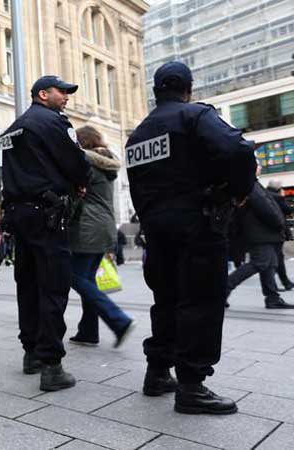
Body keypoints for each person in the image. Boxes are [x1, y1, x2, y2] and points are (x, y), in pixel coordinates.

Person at [126, 61, 256, 415]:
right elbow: (240, 150)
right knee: (200, 301)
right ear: (188, 88)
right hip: (197, 224)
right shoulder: (195, 116)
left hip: (157, 229)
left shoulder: (138, 134)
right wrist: (238, 192)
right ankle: (192, 386)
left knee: (166, 300)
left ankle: (157, 373)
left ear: (156, 91)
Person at [0, 75, 90, 392]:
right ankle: (52, 365)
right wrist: (80, 182)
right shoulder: (53, 123)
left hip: (19, 214)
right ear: (42, 94)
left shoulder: (14, 128)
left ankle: (31, 353)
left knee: (27, 284)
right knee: (52, 286)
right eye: (61, 92)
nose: (66, 97)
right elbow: (78, 163)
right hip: (47, 214)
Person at [67, 126, 134, 348]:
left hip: (87, 227)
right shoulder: (106, 164)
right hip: (104, 226)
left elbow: (76, 196)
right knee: (87, 279)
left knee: (74, 277)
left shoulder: (87, 163)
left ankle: (118, 320)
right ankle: (88, 332)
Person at [226, 173, 294, 309]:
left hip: (261, 231)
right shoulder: (251, 185)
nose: (260, 168)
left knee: (270, 264)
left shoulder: (251, 184)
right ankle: (224, 288)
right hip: (260, 232)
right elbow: (265, 208)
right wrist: (279, 222)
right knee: (260, 262)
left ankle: (272, 298)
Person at [266, 180, 294, 290]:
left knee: (273, 259)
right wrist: (281, 196)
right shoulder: (278, 197)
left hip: (267, 232)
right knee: (275, 259)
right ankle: (284, 282)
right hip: (275, 232)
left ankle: (281, 283)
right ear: (279, 188)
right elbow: (288, 211)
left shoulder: (265, 194)